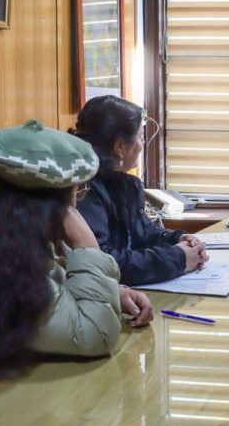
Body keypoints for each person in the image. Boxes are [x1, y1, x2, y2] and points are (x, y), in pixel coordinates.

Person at [0, 120, 153, 424]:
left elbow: (55, 287)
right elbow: (94, 335)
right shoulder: (1, 267)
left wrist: (114, 292)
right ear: (47, 206)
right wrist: (87, 243)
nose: (77, 201)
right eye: (77, 192)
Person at [72, 95, 207, 287]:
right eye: (140, 137)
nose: (142, 145)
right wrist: (177, 258)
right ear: (120, 146)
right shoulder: (83, 191)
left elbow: (144, 232)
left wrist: (179, 240)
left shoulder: (128, 185)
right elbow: (104, 262)